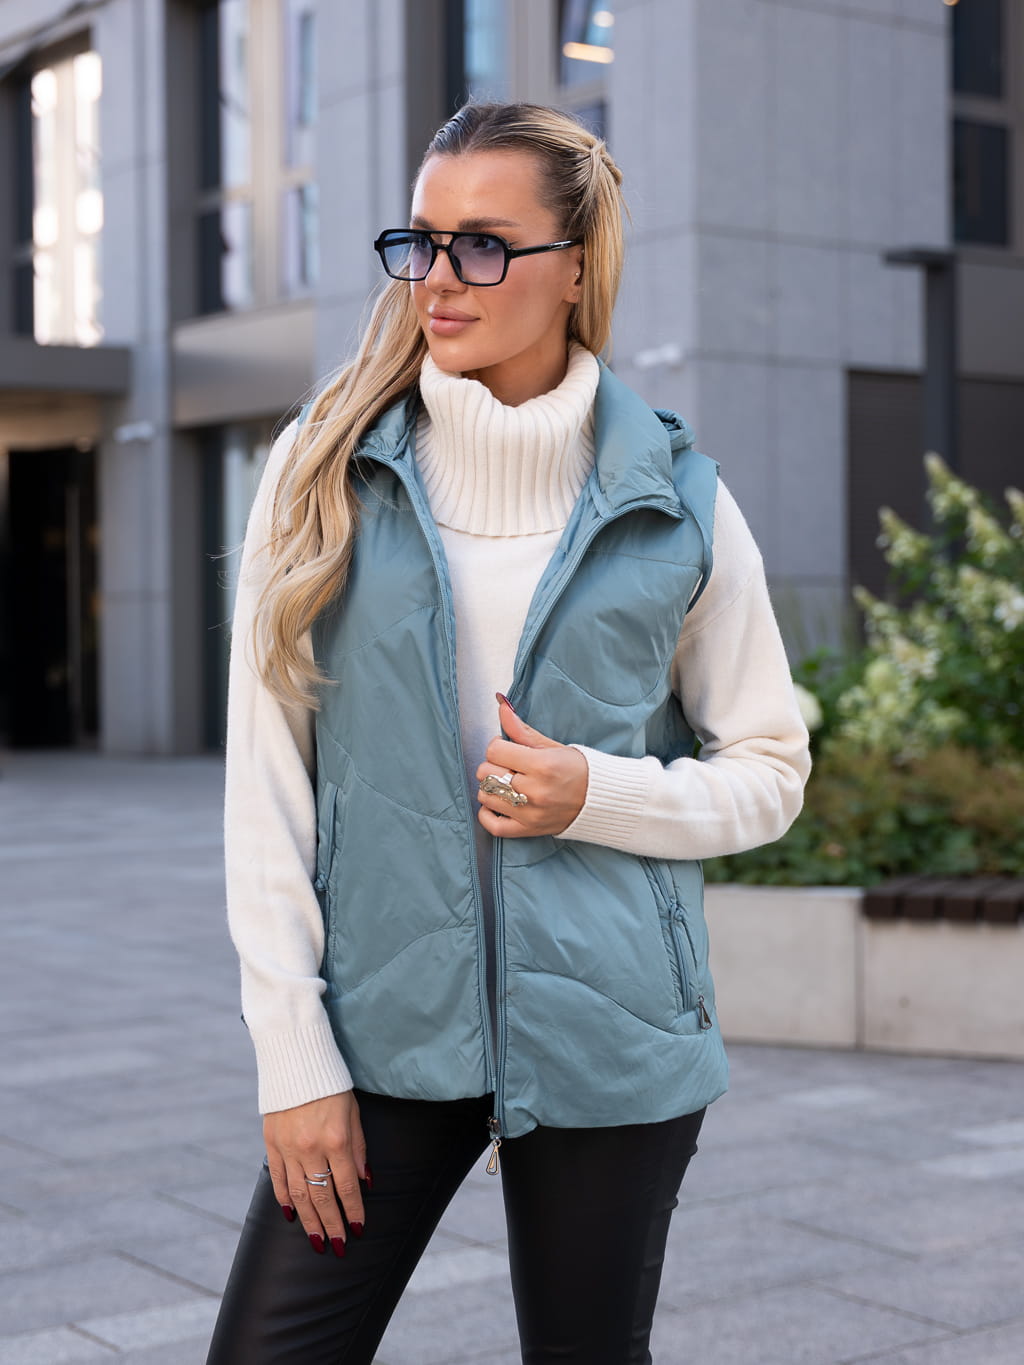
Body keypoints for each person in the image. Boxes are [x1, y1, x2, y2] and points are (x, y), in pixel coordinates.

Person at [206, 101, 810, 1365]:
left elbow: (769, 772)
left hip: (612, 1034)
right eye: (419, 240)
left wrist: (597, 790)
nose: (437, 277)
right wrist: (293, 1056)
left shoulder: (678, 501)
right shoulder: (323, 469)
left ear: (574, 267)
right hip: (379, 1032)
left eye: (482, 245)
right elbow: (265, 790)